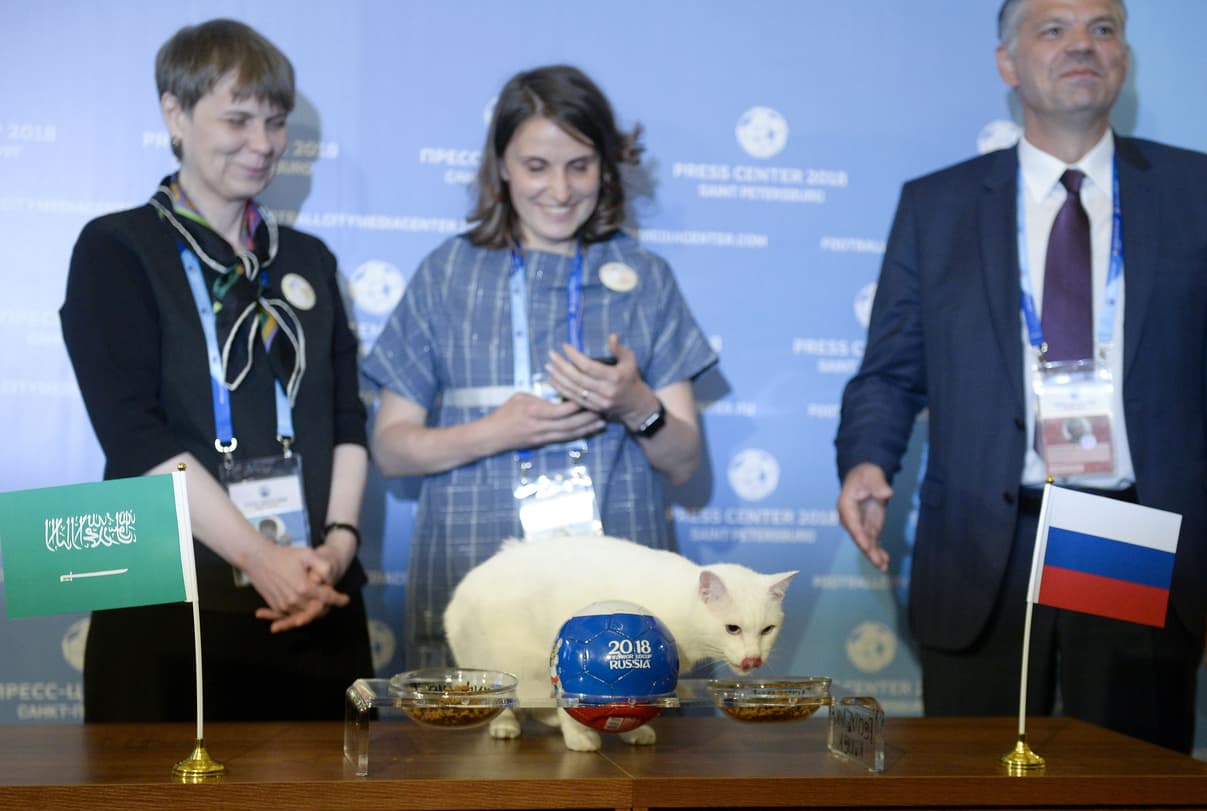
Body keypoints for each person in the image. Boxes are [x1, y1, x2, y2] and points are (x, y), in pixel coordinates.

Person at [834, 0, 1207, 753]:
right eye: (1053, 28)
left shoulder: (1197, 193)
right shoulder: (936, 205)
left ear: (1124, 59)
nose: (1082, 45)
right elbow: (890, 370)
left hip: (1122, 527)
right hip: (989, 538)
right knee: (977, 797)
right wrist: (868, 459)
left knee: (1125, 794)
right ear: (1007, 63)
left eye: (1103, 28)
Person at [61, 19, 373, 721]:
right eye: (237, 119)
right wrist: (260, 558)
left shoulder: (309, 260)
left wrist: (337, 548)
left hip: (317, 599)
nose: (262, 144)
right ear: (174, 112)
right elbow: (134, 434)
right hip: (173, 615)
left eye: (275, 121)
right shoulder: (117, 249)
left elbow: (349, 418)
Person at [363, 65, 717, 668]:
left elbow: (684, 464)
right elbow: (391, 450)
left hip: (616, 601)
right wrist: (497, 433)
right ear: (500, 164)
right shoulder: (446, 273)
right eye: (536, 167)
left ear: (606, 166)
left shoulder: (646, 278)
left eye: (579, 165)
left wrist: (637, 405)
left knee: (620, 756)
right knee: (472, 755)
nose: (559, 190)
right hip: (475, 577)